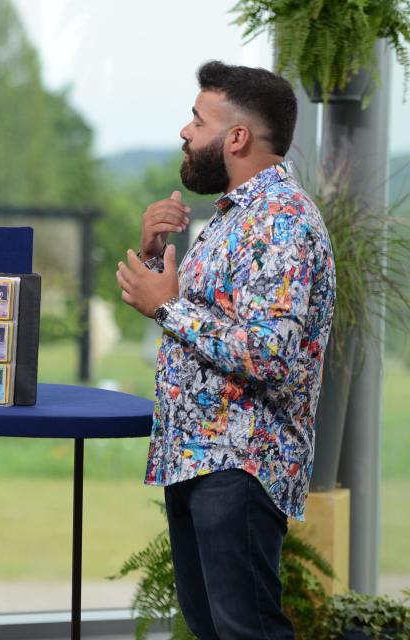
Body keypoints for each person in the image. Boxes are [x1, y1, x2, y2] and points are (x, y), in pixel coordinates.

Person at [115, 61, 336, 639]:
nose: (185, 132)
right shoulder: (233, 218)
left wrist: (167, 305)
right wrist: (157, 255)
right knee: (214, 630)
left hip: (238, 464)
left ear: (236, 137)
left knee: (247, 633)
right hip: (198, 458)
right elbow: (206, 322)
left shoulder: (282, 221)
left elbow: (270, 354)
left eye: (197, 118)